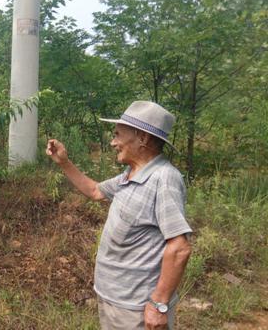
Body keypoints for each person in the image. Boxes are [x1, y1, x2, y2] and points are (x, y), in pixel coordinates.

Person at [46, 101, 192, 330]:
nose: (113, 142)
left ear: (142, 138)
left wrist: (158, 304)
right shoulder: (131, 174)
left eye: (117, 135)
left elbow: (180, 247)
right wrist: (64, 162)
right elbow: (95, 191)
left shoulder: (163, 178)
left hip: (137, 309)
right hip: (114, 299)